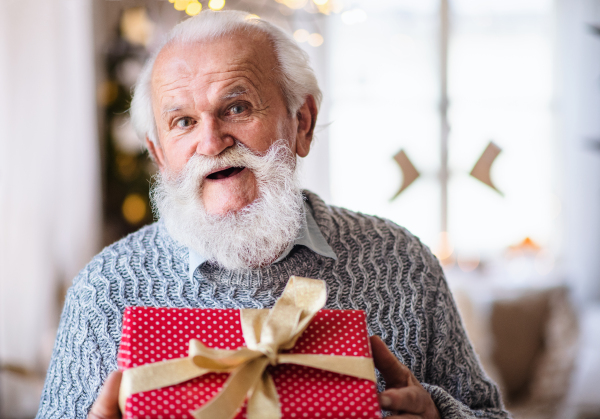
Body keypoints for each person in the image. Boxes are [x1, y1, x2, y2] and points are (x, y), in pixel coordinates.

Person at [36, 10, 509, 419]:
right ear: (159, 155)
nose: (211, 141)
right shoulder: (105, 290)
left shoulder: (401, 260)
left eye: (237, 107)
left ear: (301, 122)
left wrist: (438, 413)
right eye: (183, 121)